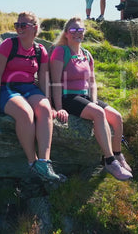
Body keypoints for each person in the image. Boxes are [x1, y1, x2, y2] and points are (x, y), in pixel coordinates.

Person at [50, 17, 133, 181]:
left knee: (116, 117)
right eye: (73, 30)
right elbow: (55, 82)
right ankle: (109, 162)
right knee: (98, 114)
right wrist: (59, 107)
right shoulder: (61, 51)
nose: (77, 33)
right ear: (66, 34)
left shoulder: (86, 54)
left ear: (84, 32)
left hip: (85, 96)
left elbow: (92, 82)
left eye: (80, 30)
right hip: (68, 96)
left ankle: (117, 154)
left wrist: (93, 101)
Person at [0, 12, 63, 182]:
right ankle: (32, 162)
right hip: (7, 88)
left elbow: (42, 78)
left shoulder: (40, 50)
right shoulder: (8, 45)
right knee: (25, 113)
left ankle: (44, 162)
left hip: (29, 88)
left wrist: (48, 102)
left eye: (23, 25)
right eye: (17, 25)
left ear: (35, 28)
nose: (19, 28)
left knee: (43, 109)